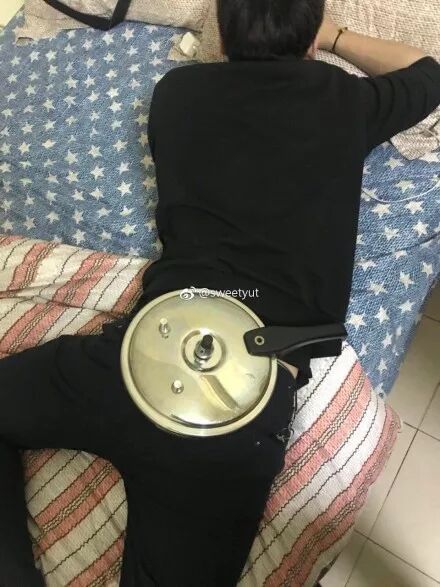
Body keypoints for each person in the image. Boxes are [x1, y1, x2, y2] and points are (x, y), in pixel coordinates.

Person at [1, 0, 440, 585]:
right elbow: (427, 71)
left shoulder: (176, 94)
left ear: (223, 33)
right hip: (242, 400)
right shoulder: (345, 100)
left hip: (140, 350)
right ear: (310, 37)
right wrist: (334, 37)